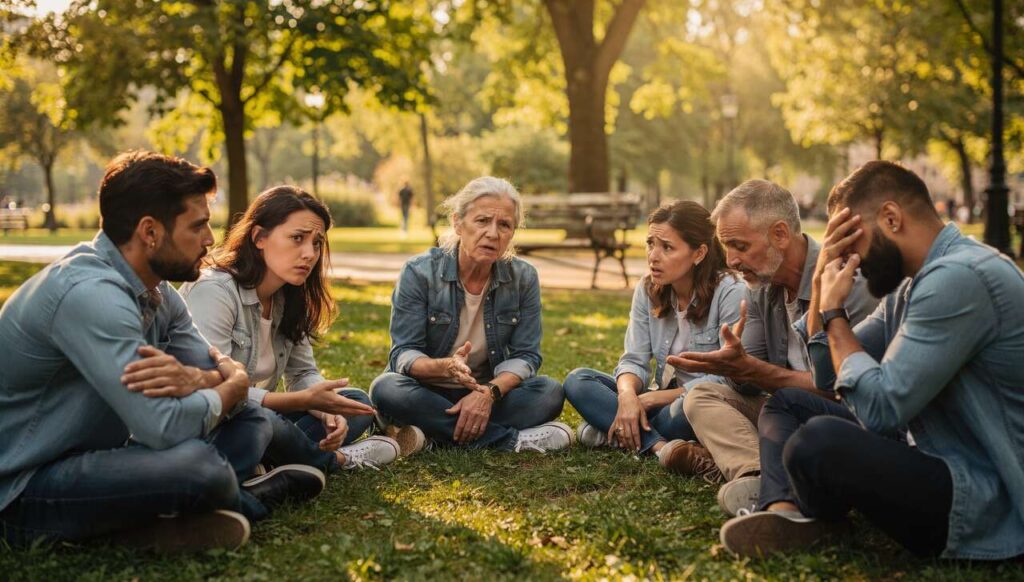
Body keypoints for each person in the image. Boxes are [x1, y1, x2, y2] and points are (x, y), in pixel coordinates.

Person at [0, 151, 323, 553]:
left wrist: (209, 379)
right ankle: (242, 499)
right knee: (198, 468)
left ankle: (163, 519)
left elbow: (215, 372)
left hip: (107, 456)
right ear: (150, 232)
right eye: (198, 226)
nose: (210, 239)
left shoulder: (158, 291)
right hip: (26, 485)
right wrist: (229, 383)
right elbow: (162, 425)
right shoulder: (90, 296)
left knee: (253, 420)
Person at [720, 160, 1024, 560]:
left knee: (819, 442)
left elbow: (880, 409)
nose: (850, 259)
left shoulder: (960, 276)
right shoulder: (911, 285)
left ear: (891, 219)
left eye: (851, 241)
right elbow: (827, 378)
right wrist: (819, 284)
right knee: (788, 403)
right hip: (932, 454)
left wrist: (834, 313)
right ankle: (784, 512)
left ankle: (807, 505)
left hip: (986, 497)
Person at [666, 180, 877, 509]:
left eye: (739, 246)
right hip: (784, 414)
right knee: (701, 395)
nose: (732, 261)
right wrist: (734, 366)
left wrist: (751, 370)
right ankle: (756, 474)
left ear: (780, 234)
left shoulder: (849, 279)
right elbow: (751, 378)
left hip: (841, 420)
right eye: (726, 248)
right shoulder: (760, 286)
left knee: (782, 405)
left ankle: (749, 472)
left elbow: (845, 389)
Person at [180, 186, 405, 472]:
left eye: (317, 243)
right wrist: (297, 401)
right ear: (259, 237)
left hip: (259, 418)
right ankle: (336, 460)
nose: (309, 254)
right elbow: (215, 390)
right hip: (214, 425)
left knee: (353, 403)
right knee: (260, 420)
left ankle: (268, 463)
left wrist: (324, 409)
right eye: (297, 238)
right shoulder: (214, 291)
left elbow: (302, 373)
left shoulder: (288, 296)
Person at [370, 176, 571, 452]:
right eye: (482, 221)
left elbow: (527, 355)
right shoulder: (419, 272)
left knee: (549, 392)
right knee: (386, 388)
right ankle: (509, 440)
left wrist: (489, 393)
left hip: (485, 391)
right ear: (457, 223)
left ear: (512, 233)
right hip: (426, 390)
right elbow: (403, 353)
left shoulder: (524, 278)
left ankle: (431, 435)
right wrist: (445, 367)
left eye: (504, 225)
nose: (493, 233)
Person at [563, 200, 744, 478]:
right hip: (660, 404)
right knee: (578, 380)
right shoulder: (648, 288)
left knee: (685, 411)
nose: (653, 256)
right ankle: (659, 446)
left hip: (700, 404)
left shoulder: (730, 292)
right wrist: (627, 397)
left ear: (699, 253)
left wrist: (648, 401)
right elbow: (634, 360)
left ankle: (613, 430)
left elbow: (728, 379)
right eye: (650, 244)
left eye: (667, 247)